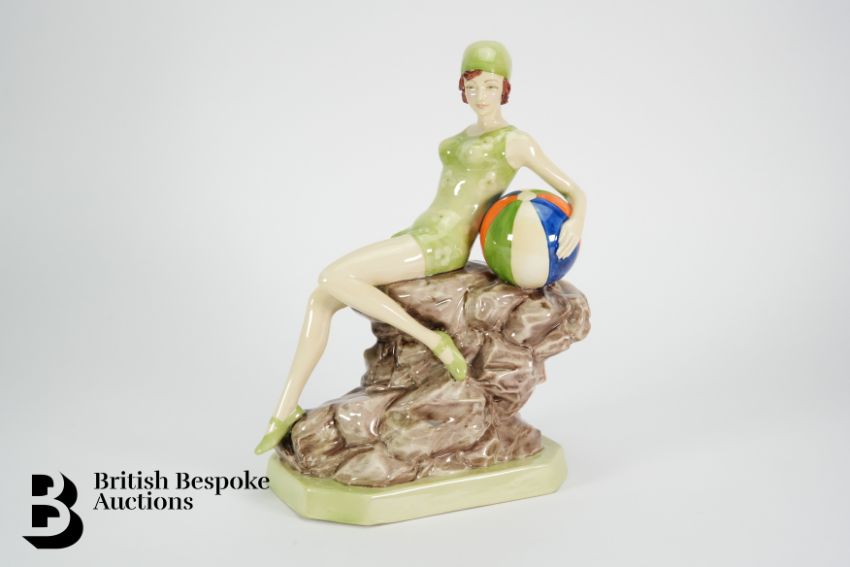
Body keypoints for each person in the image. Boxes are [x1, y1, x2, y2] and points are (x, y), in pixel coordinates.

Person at [255, 40, 586, 454]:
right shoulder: (461, 137)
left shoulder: (516, 141)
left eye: (489, 86)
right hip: (416, 232)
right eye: (471, 86)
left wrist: (575, 221)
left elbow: (574, 191)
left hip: (443, 244)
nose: (480, 95)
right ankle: (284, 408)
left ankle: (434, 341)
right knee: (320, 299)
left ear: (505, 89)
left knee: (334, 275)